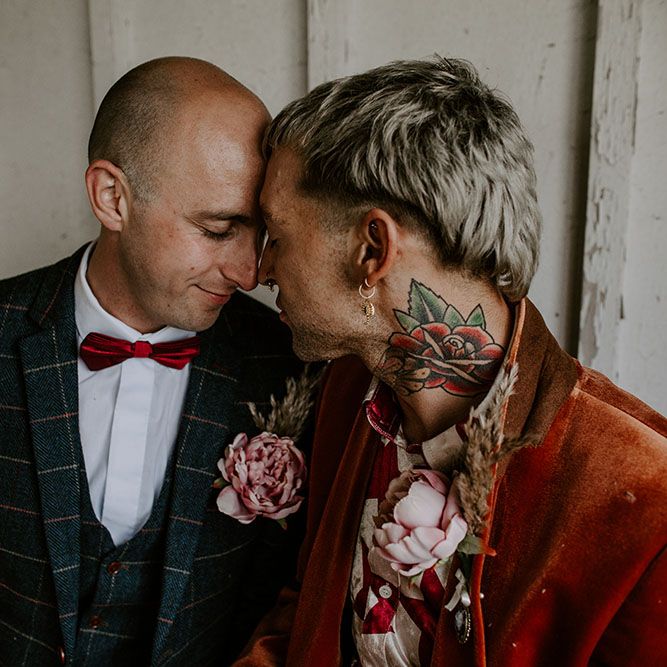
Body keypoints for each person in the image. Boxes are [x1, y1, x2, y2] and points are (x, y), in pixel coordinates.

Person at [238, 57, 667, 666]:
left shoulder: (648, 504)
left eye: (277, 236)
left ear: (373, 249)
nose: (260, 270)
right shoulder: (344, 390)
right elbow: (306, 613)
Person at [0, 57, 307, 665]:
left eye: (261, 233)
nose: (249, 273)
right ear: (112, 197)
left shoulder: (286, 364)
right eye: (218, 229)